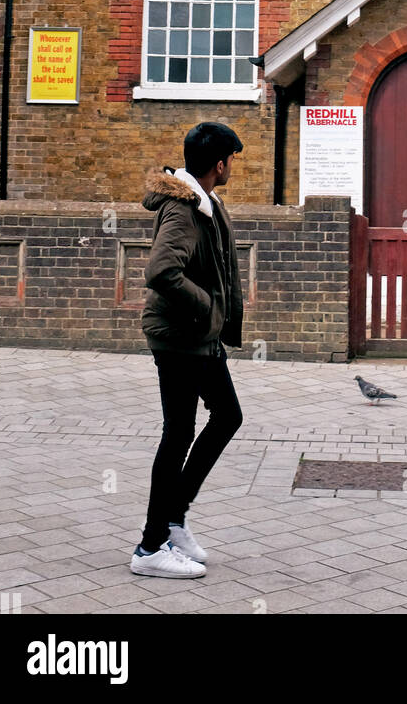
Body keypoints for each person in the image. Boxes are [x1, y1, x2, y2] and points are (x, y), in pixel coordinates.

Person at [130, 122, 245, 578]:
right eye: (232, 159)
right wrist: (207, 309)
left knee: (219, 418)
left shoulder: (207, 203)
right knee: (183, 431)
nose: (233, 165)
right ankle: (151, 547)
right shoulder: (184, 209)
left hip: (197, 336)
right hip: (181, 337)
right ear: (219, 164)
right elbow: (161, 271)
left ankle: (173, 522)